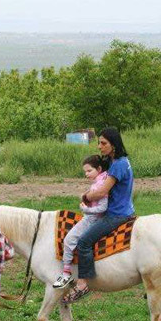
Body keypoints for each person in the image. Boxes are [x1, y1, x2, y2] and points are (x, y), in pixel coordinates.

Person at [63, 127, 135, 304]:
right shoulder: (121, 161)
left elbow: (101, 192)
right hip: (125, 210)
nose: (99, 146)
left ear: (113, 144)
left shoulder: (118, 165)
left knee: (84, 242)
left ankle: (82, 283)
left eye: (103, 143)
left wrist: (85, 196)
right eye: (99, 143)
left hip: (116, 214)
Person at [53, 155, 108, 289]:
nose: (86, 174)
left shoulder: (100, 186)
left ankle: (66, 273)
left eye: (89, 171)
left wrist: (85, 209)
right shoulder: (102, 181)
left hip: (92, 219)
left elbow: (103, 207)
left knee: (68, 240)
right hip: (93, 217)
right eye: (85, 172)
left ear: (99, 169)